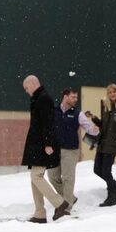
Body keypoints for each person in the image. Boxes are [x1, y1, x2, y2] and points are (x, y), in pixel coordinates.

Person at [22, 75, 70, 223]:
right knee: (34, 178)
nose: (26, 91)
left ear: (32, 83)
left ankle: (60, 203)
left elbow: (49, 122)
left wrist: (48, 143)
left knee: (36, 176)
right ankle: (40, 213)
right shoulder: (38, 98)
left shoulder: (43, 99)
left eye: (26, 87)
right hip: (37, 144)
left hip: (42, 145)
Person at [51, 87, 99, 210]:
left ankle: (66, 207)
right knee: (52, 177)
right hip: (55, 150)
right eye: (73, 97)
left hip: (70, 150)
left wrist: (96, 129)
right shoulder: (54, 111)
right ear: (65, 96)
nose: (75, 99)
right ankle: (70, 197)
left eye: (77, 97)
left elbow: (88, 127)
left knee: (68, 178)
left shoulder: (78, 113)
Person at [86, 84, 116, 206]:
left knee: (106, 171)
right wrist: (94, 118)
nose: (112, 94)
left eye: (114, 92)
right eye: (110, 92)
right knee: (97, 169)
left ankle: (111, 197)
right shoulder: (106, 106)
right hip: (103, 143)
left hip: (113, 143)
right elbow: (103, 125)